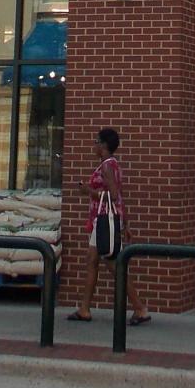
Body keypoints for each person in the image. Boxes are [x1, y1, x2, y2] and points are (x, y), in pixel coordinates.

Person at [70, 127, 149, 324]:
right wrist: (126, 223)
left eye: (96, 142)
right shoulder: (112, 165)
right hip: (105, 219)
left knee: (112, 264)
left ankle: (140, 308)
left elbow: (113, 196)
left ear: (104, 145)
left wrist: (88, 191)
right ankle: (84, 309)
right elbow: (120, 196)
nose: (94, 145)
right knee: (92, 260)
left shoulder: (107, 166)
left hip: (105, 220)